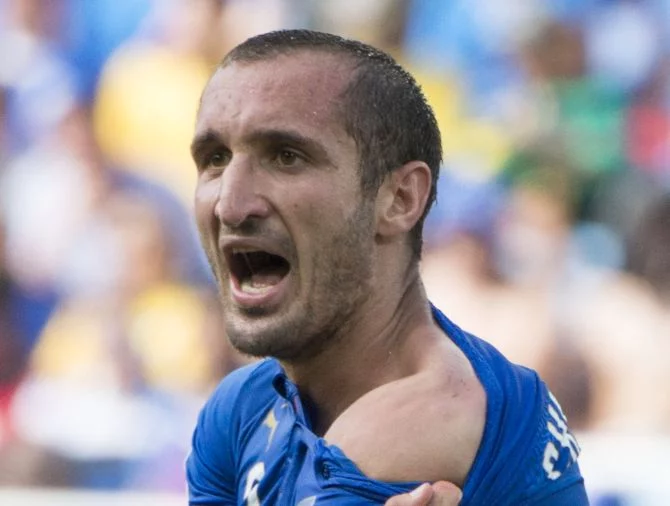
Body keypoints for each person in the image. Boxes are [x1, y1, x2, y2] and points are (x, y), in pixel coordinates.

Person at [186, 30, 588, 505]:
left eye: (286, 157)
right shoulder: (244, 407)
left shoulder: (423, 425)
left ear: (400, 198)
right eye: (215, 159)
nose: (230, 205)